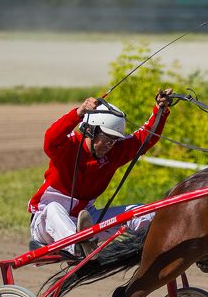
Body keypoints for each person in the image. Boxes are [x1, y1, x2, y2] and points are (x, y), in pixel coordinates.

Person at [28, 88, 173, 255]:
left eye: (114, 140)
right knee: (54, 208)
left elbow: (145, 138)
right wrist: (79, 112)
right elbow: (50, 139)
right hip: (46, 224)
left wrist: (160, 110)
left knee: (145, 213)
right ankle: (79, 247)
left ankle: (153, 248)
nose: (109, 145)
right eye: (105, 138)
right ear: (90, 130)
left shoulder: (114, 152)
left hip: (86, 220)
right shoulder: (68, 146)